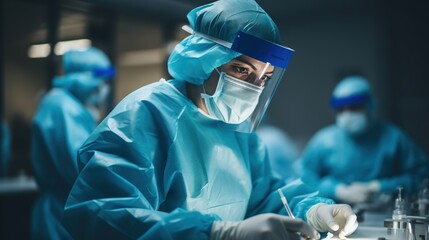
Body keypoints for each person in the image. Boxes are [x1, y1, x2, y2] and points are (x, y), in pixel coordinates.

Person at [62, 1, 358, 239]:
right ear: (204, 60)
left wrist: (313, 211)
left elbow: (267, 194)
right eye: (242, 70)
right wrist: (216, 233)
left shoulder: (238, 129)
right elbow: (102, 216)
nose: (254, 87)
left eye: (264, 78)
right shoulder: (145, 115)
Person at [300, 75, 429, 205]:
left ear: (370, 106)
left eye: (354, 107)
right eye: (341, 109)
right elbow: (304, 179)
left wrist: (377, 187)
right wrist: (338, 190)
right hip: (334, 214)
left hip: (382, 213)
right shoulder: (324, 140)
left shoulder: (394, 138)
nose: (347, 114)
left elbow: (420, 176)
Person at [30, 47, 115, 240]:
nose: (102, 88)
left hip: (69, 208)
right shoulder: (60, 105)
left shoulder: (75, 106)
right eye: (99, 81)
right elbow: (79, 165)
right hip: (59, 213)